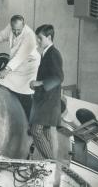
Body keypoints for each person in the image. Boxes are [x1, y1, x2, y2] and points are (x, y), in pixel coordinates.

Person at [0, 15, 40, 119]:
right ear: (11, 25)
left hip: (28, 67)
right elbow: (2, 35)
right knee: (1, 82)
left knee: (24, 91)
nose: (16, 32)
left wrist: (6, 70)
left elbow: (20, 56)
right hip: (16, 64)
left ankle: (28, 120)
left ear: (24, 25)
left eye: (18, 30)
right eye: (14, 29)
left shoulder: (30, 36)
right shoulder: (11, 28)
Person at [29, 24, 64, 159]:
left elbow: (58, 77)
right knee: (47, 133)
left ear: (49, 37)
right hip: (47, 101)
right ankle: (53, 162)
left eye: (40, 38)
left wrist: (39, 83)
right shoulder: (47, 54)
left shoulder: (53, 54)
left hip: (47, 102)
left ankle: (51, 163)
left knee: (36, 131)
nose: (37, 41)